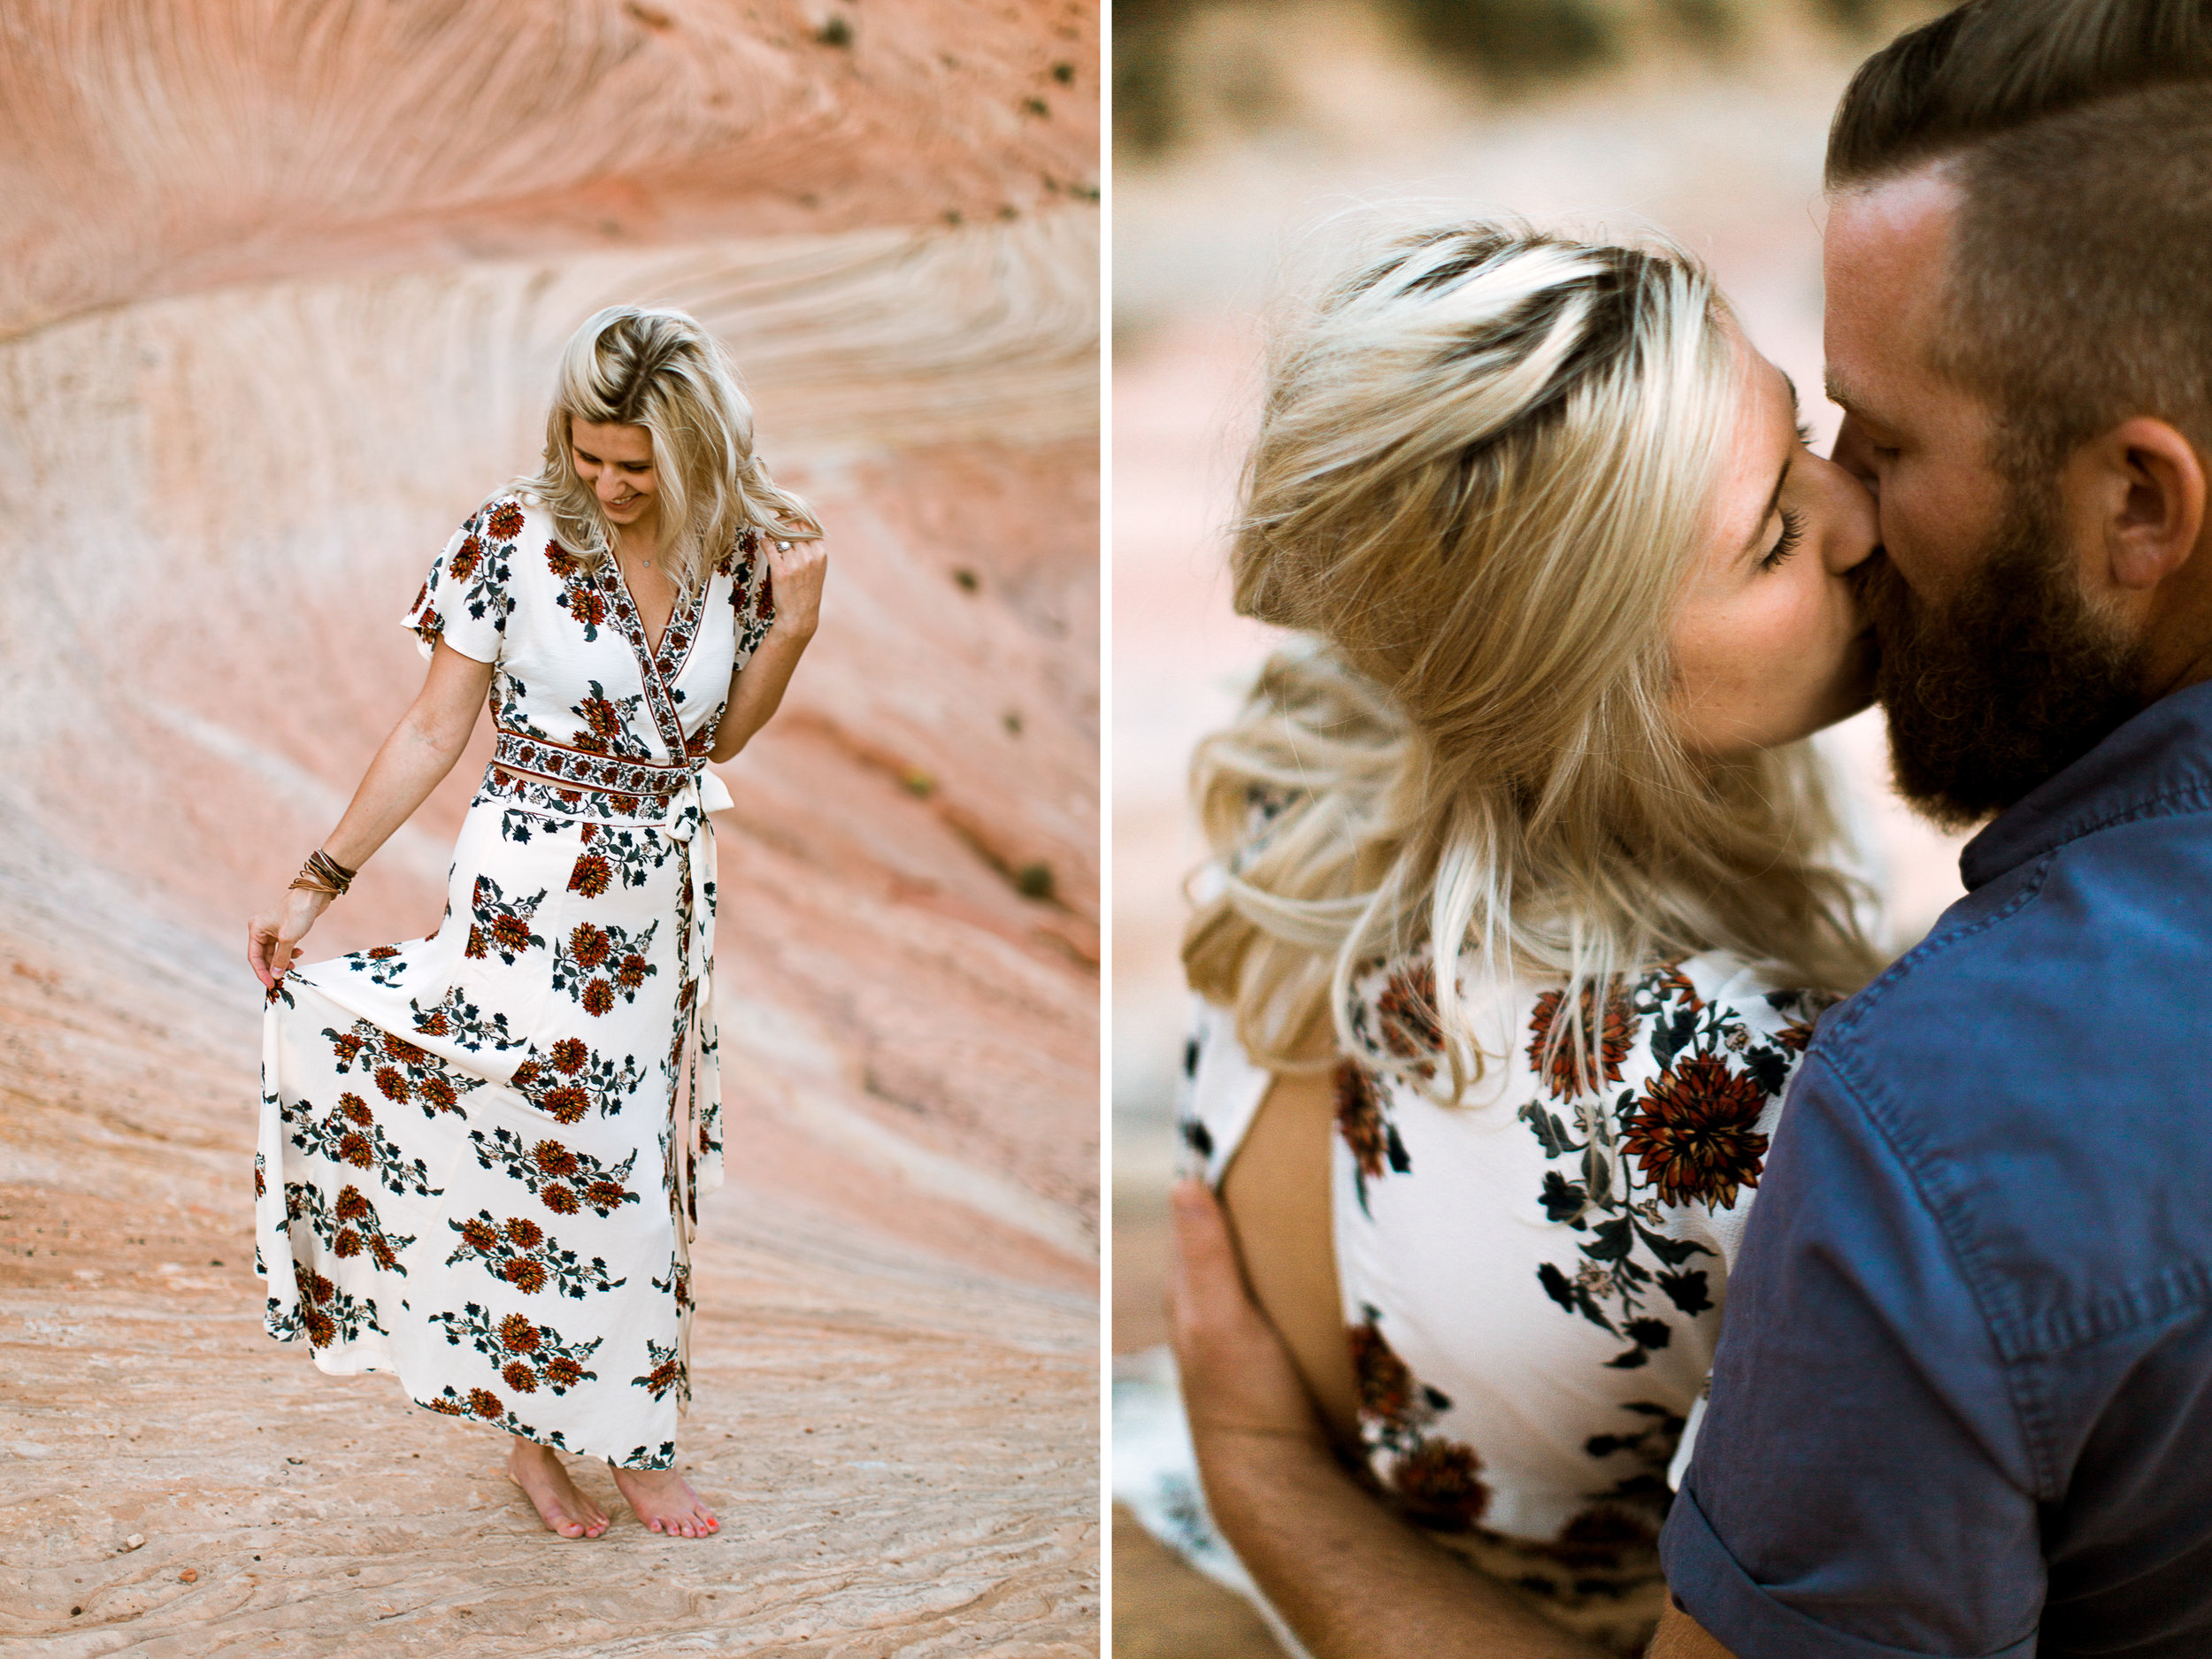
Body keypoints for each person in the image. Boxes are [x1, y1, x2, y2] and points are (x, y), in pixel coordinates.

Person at [1154, 222, 1886, 1655]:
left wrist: (1254, 1452)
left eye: (1801, 439)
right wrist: (1253, 1467)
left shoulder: (1312, 760)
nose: (1857, 512)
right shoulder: (1749, 1091)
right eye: (1778, 537)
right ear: (1582, 681)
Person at [1650, 4, 2212, 1654]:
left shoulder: (1940, 1122)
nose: (1845, 515)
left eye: (1881, 446)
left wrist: (1266, 1476)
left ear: (2137, 503)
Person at [246, 305, 827, 1541]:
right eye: (590, 457)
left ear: (697, 452)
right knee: (531, 1160)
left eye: (637, 467)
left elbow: (717, 740)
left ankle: (610, 1436)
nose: (608, 487)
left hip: (649, 916)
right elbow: (430, 728)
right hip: (523, 900)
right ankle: (575, 1440)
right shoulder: (510, 535)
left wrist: (798, 625)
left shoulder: (740, 548)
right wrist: (319, 879)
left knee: (620, 1170)